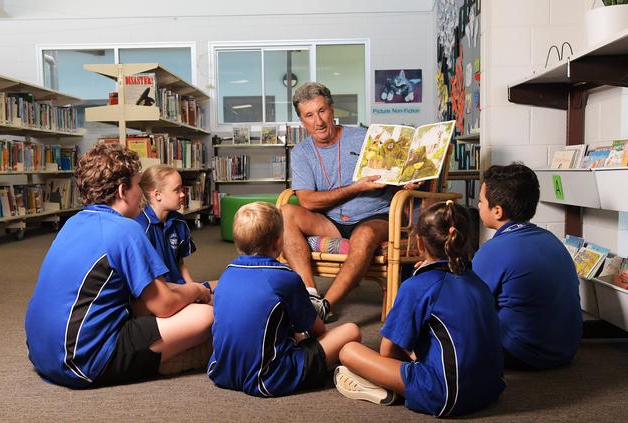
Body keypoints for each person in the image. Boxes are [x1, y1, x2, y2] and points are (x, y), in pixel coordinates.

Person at [24, 143, 213, 389]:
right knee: (205, 316)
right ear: (124, 190)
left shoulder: (72, 223)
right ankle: (169, 359)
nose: (141, 194)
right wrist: (198, 291)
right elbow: (164, 305)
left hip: (41, 353)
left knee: (154, 303)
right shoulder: (126, 229)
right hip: (81, 363)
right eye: (137, 185)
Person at [333, 200, 505, 417]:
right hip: (490, 389)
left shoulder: (417, 286)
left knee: (349, 351)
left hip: (447, 396)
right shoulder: (478, 283)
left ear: (419, 243)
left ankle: (385, 387)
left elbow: (388, 351)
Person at [282, 81, 420, 321]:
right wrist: (355, 187)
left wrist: (407, 180)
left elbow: (394, 174)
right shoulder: (301, 152)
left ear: (333, 109)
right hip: (331, 221)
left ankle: (324, 307)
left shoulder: (366, 137)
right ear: (302, 121)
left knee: (364, 235)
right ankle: (310, 294)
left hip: (376, 216)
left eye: (322, 111)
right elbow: (307, 202)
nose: (319, 121)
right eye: (309, 115)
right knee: (285, 212)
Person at [207, 202, 361, 397]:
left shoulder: (227, 274)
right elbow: (317, 330)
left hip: (221, 372)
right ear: (279, 241)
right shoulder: (285, 277)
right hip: (268, 378)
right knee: (350, 331)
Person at [472, 163, 582, 370]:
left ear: (497, 211)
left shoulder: (493, 250)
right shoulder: (553, 240)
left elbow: (467, 306)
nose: (478, 206)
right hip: (565, 351)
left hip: (522, 355)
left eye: (480, 201)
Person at [135, 164, 212, 294]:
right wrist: (194, 291)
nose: (183, 194)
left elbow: (180, 264)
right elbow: (146, 280)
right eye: (177, 190)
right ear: (158, 195)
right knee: (210, 308)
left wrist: (193, 287)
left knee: (223, 288)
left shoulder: (179, 221)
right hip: (158, 293)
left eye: (182, 189)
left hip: (179, 287)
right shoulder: (140, 228)